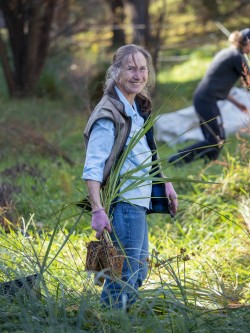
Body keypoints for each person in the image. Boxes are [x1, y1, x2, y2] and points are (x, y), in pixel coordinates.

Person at [82, 44, 178, 309]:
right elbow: (92, 167)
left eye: (143, 68)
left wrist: (164, 182)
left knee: (136, 272)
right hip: (124, 203)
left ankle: (115, 318)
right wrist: (97, 210)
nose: (138, 75)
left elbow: (146, 152)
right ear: (115, 72)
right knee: (126, 274)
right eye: (131, 68)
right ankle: (112, 321)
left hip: (138, 200)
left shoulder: (137, 108)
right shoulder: (108, 115)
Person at [168, 28, 250, 165]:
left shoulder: (229, 53)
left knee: (216, 138)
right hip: (206, 101)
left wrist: (238, 104)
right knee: (215, 139)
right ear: (247, 42)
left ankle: (210, 164)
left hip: (204, 99)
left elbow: (218, 85)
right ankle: (178, 159)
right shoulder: (237, 57)